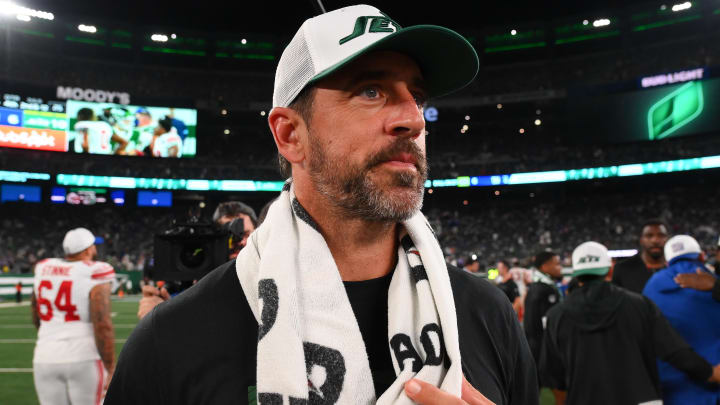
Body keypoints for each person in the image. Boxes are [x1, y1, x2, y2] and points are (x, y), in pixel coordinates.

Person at [107, 5, 538, 404]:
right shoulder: (173, 340)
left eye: (418, 96)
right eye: (371, 91)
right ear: (291, 135)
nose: (413, 118)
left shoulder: (486, 313)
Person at [540, 241, 720, 405]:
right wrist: (709, 373)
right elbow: (673, 350)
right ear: (610, 271)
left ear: (576, 274)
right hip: (642, 399)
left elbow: (554, 376)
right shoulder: (639, 305)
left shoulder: (556, 316)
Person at [31, 228, 116, 405]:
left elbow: (35, 312)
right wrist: (110, 367)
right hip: (83, 357)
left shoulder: (43, 267)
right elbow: (102, 324)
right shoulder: (95, 271)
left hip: (45, 357)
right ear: (87, 249)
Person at [136, 200, 258, 319]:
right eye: (229, 236)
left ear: (258, 233)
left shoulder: (267, 278)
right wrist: (159, 316)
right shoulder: (190, 288)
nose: (239, 242)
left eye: (245, 234)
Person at [642, 235, 720, 404]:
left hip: (672, 389)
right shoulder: (714, 282)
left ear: (667, 262)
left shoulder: (652, 286)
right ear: (701, 256)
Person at [524, 251, 563, 367]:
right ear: (545, 266)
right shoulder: (543, 289)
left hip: (537, 344)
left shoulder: (537, 287)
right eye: (557, 264)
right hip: (543, 346)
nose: (560, 268)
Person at [612, 218, 669, 293]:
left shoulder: (678, 269)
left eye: (661, 235)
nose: (655, 240)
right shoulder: (622, 269)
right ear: (641, 240)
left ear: (667, 239)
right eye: (649, 236)